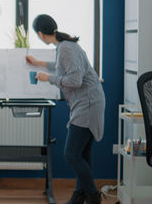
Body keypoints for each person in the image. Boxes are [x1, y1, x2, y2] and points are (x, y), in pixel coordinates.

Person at [25, 14, 105, 204]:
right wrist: (38, 63)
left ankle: (93, 196)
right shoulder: (64, 46)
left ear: (40, 34)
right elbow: (61, 67)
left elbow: (75, 81)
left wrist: (48, 78)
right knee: (83, 154)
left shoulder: (66, 48)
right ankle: (79, 195)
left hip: (88, 104)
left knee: (71, 153)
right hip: (87, 102)